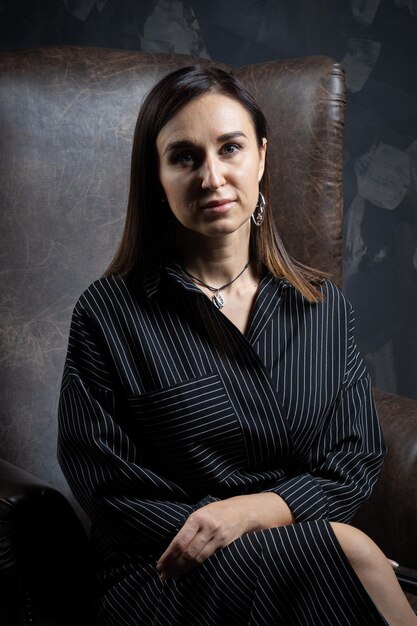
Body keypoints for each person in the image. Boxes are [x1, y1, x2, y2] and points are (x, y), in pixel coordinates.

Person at [57, 65, 417, 625]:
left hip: (308, 547)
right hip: (163, 573)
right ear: (156, 176)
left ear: (262, 157)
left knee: (342, 558)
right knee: (351, 555)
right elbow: (108, 487)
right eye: (184, 157)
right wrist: (264, 542)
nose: (212, 176)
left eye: (230, 148)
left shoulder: (322, 306)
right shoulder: (108, 314)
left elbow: (353, 460)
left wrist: (253, 515)